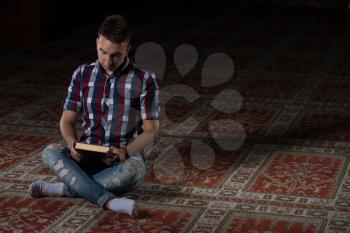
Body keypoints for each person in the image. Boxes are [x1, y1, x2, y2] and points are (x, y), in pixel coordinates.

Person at [28, 15, 160, 216]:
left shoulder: (144, 79)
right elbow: (66, 121)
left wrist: (125, 151)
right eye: (103, 52)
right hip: (86, 155)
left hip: (122, 160)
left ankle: (64, 188)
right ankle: (107, 199)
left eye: (115, 55)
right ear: (97, 42)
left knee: (134, 171)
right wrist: (72, 144)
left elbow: (151, 131)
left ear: (128, 49)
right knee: (50, 152)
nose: (108, 61)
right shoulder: (82, 74)